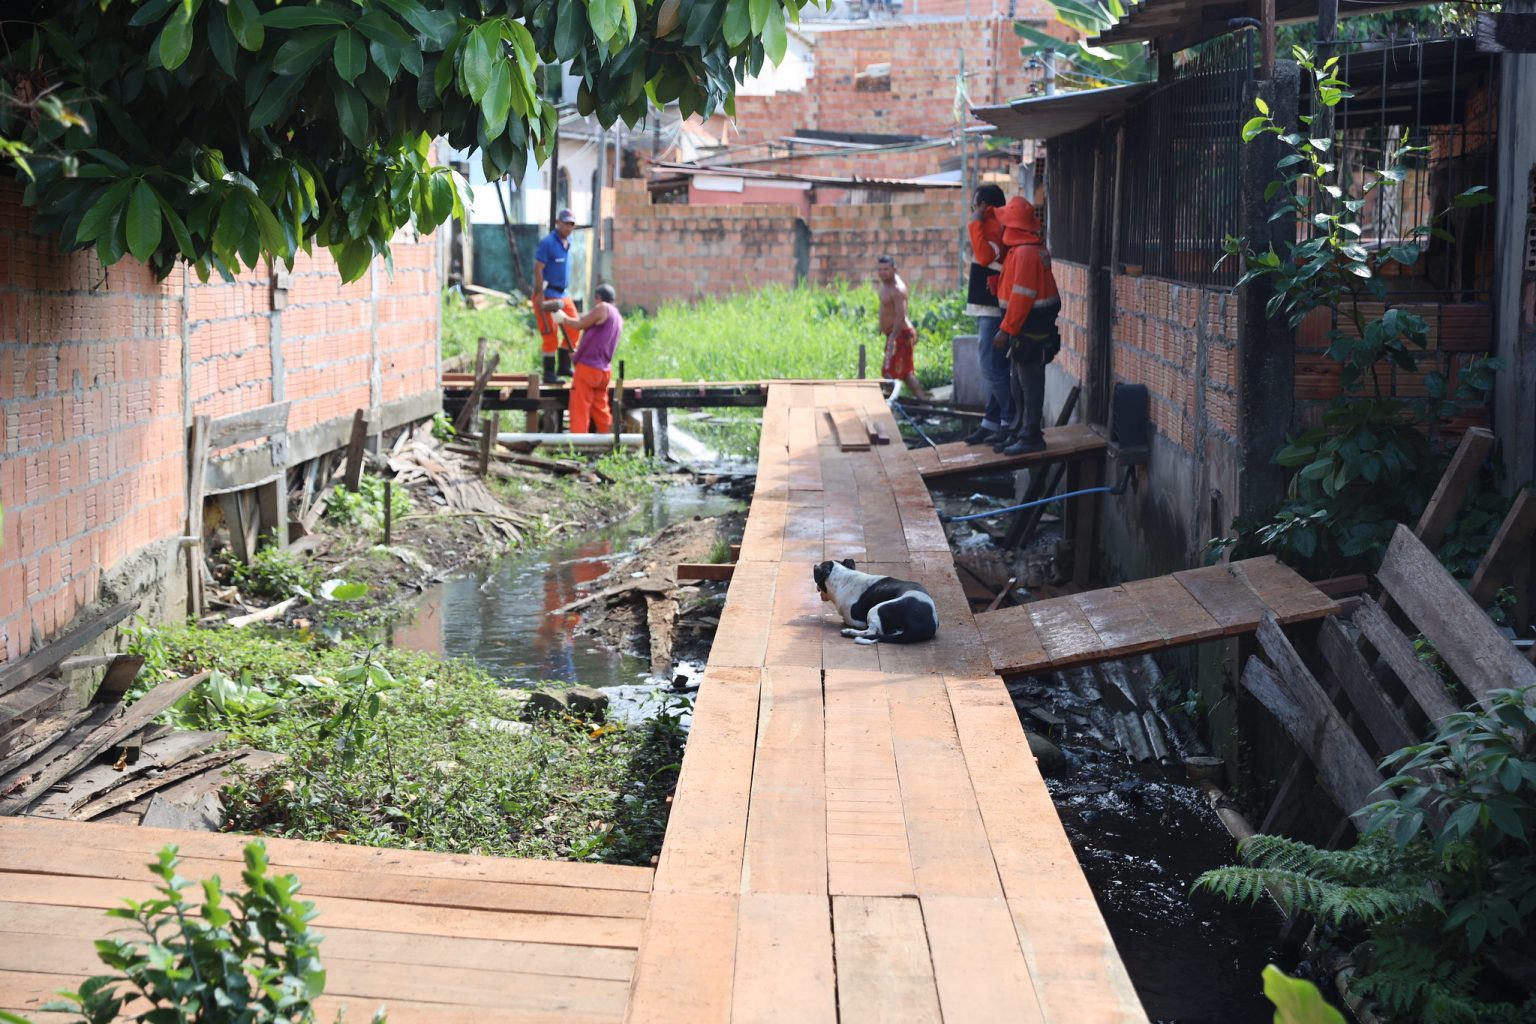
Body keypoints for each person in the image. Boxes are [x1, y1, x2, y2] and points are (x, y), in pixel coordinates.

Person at [992, 196, 1060, 456]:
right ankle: (1020, 430)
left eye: (1005, 224)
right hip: (1029, 321)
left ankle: (1030, 435)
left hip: (1029, 324)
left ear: (1015, 227)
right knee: (1018, 380)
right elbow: (1018, 289)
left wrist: (1005, 329)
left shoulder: (1025, 253)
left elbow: (1022, 296)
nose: (1002, 228)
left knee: (1028, 381)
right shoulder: (1026, 249)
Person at [963, 184, 1013, 445]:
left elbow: (984, 257)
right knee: (997, 366)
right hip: (988, 306)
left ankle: (1010, 420)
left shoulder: (993, 225)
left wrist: (975, 223)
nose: (973, 209)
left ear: (985, 205)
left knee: (990, 366)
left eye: (976, 204)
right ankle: (993, 422)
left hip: (993, 308)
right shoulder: (991, 224)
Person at [552, 283, 623, 434]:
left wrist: (564, 319)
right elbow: (598, 342)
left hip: (588, 370)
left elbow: (580, 324)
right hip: (603, 371)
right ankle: (610, 441)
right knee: (600, 407)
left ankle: (578, 446)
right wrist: (579, 354)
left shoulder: (603, 307)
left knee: (579, 407)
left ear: (599, 298)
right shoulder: (617, 316)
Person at [532, 208, 580, 384]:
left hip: (562, 293)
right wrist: (540, 295)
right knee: (550, 333)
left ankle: (564, 367)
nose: (568, 227)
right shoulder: (548, 243)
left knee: (574, 326)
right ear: (558, 223)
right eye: (565, 223)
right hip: (547, 294)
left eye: (571, 224)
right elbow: (538, 268)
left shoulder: (569, 241)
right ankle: (549, 374)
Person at [875, 255, 931, 401]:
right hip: (894, 334)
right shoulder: (885, 285)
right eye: (880, 269)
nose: (882, 273)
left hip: (900, 335)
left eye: (886, 269)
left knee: (889, 372)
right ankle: (925, 404)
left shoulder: (898, 289)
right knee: (906, 374)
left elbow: (901, 316)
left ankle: (887, 406)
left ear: (894, 269)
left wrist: (893, 337)